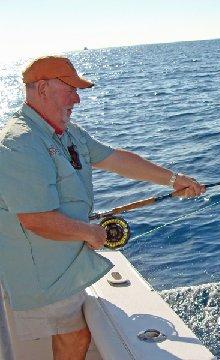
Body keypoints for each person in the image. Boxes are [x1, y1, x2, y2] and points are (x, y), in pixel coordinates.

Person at [0, 55, 205, 360]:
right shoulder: (19, 142)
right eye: (70, 89)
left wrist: (173, 179)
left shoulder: (65, 132)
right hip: (43, 272)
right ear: (42, 89)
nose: (77, 98)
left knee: (75, 336)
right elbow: (36, 220)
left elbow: (115, 159)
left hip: (64, 263)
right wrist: (90, 233)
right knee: (74, 337)